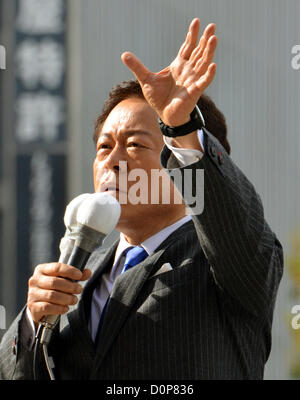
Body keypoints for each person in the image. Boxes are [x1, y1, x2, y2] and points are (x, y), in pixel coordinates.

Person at [0, 18, 283, 380]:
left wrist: (181, 127)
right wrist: (31, 322)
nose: (112, 161)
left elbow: (232, 218)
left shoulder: (226, 261)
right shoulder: (78, 273)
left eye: (135, 144)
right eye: (104, 147)